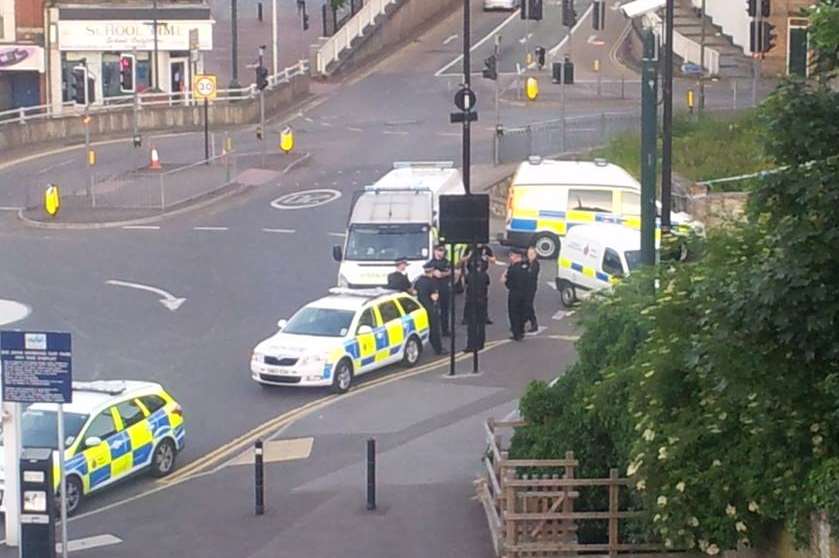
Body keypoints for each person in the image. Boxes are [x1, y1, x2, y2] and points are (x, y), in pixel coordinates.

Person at [414, 261, 447, 355]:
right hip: (431, 308)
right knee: (434, 330)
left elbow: (414, 292)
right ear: (432, 271)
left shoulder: (419, 280)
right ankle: (438, 349)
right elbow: (434, 297)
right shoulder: (432, 282)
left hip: (420, 308)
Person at [461, 243, 495, 325]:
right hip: (472, 273)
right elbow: (462, 259)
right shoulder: (469, 247)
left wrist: (488, 257)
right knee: (469, 297)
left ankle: (484, 316)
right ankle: (466, 317)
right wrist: (468, 256)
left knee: (483, 297)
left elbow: (493, 260)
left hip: (482, 274)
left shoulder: (486, 249)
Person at [463, 257, 490, 353]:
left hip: (471, 301)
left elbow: (466, 284)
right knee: (481, 323)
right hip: (482, 301)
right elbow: (487, 283)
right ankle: (481, 343)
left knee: (472, 325)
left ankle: (471, 345)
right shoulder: (485, 275)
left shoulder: (469, 276)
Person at [502, 248, 530, 341]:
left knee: (514, 313)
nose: (510, 258)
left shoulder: (512, 269)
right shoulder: (526, 267)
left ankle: (516, 333)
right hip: (525, 293)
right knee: (522, 312)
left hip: (515, 293)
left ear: (517, 256)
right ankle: (521, 331)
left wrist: (506, 281)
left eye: (511, 256)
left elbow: (508, 283)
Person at [429, 244, 452, 337]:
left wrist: (442, 273)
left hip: (444, 288)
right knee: (434, 311)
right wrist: (442, 273)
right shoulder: (431, 263)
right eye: (438, 250)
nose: (440, 252)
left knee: (445, 310)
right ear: (434, 251)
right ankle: (434, 331)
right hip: (434, 289)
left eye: (442, 250)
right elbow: (432, 273)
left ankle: (445, 330)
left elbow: (450, 272)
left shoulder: (447, 262)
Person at [524, 246, 541, 332]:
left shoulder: (536, 264)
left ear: (535, 255)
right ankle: (523, 321)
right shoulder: (526, 262)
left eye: (531, 254)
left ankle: (533, 323)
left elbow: (531, 275)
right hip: (524, 287)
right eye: (528, 254)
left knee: (528, 305)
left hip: (531, 288)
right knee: (523, 305)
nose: (529, 256)